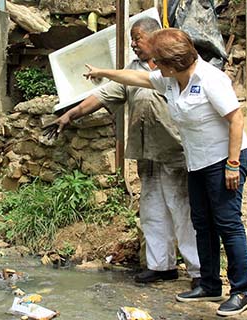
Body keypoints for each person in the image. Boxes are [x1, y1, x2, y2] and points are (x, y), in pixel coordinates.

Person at [82, 28, 247, 317]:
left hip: (224, 159)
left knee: (227, 224)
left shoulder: (211, 79)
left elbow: (236, 119)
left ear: (172, 64)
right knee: (202, 223)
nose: (153, 66)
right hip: (196, 161)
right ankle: (209, 284)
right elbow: (137, 78)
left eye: (157, 61)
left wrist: (233, 164)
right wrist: (104, 72)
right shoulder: (171, 81)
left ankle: (241, 291)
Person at [45, 18, 201, 287]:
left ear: (153, 38)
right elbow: (103, 94)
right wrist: (68, 116)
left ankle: (200, 273)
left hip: (175, 152)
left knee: (182, 211)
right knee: (152, 211)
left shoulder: (174, 68)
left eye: (137, 38)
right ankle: (161, 266)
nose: (132, 43)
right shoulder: (133, 70)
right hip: (146, 153)